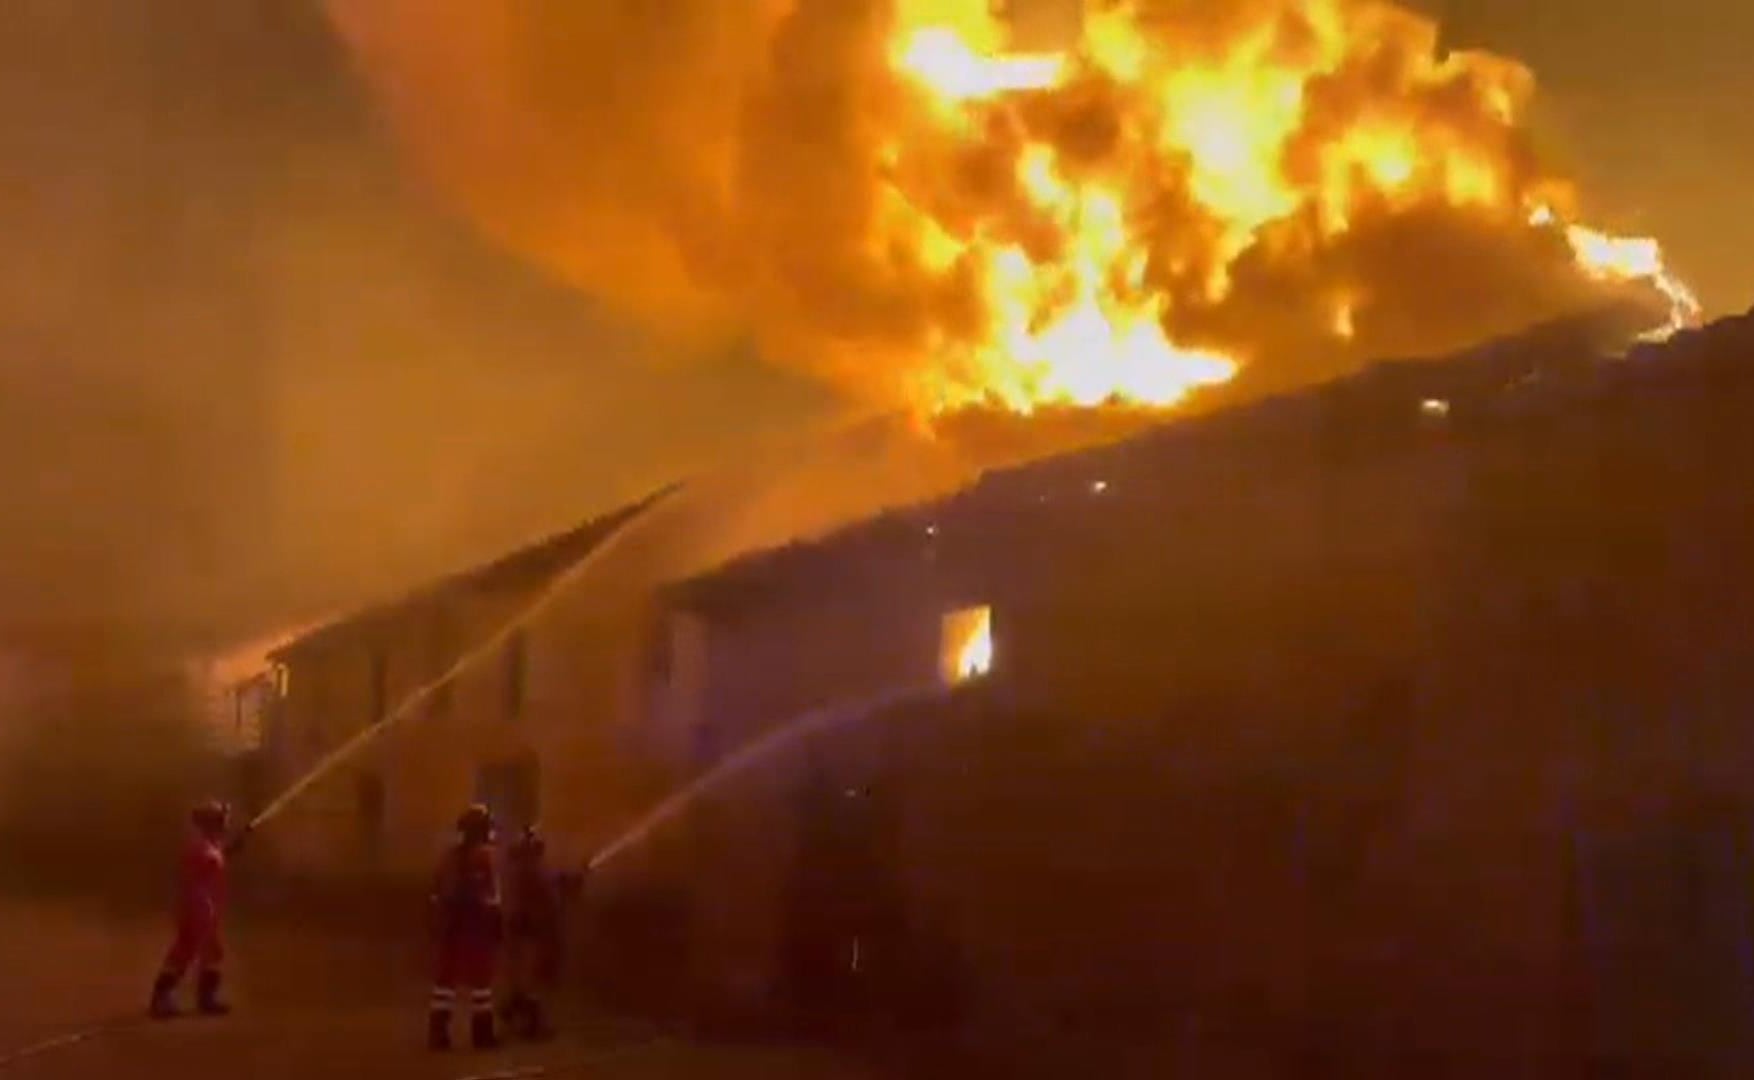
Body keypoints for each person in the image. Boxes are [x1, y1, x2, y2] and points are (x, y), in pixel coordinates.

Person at [149, 800, 250, 1019]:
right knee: (207, 951)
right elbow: (207, 865)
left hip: (197, 905)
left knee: (188, 951)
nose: (224, 824)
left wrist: (232, 847)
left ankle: (173, 997)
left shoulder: (206, 844)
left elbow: (217, 857)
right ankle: (196, 998)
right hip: (200, 906)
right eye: (220, 820)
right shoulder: (202, 846)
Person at [429, 804, 503, 1051]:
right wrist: (495, 919)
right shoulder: (483, 857)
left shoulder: (449, 856)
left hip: (449, 926)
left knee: (445, 982)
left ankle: (437, 1033)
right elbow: (489, 897)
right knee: (481, 983)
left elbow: (437, 891)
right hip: (474, 927)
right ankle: (482, 1034)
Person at [501, 826, 580, 1041]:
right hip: (531, 929)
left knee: (523, 977)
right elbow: (550, 887)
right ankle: (531, 1025)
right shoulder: (531, 870)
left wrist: (569, 879)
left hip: (521, 928)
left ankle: (514, 1010)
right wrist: (571, 882)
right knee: (533, 979)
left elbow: (554, 880)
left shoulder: (519, 869)